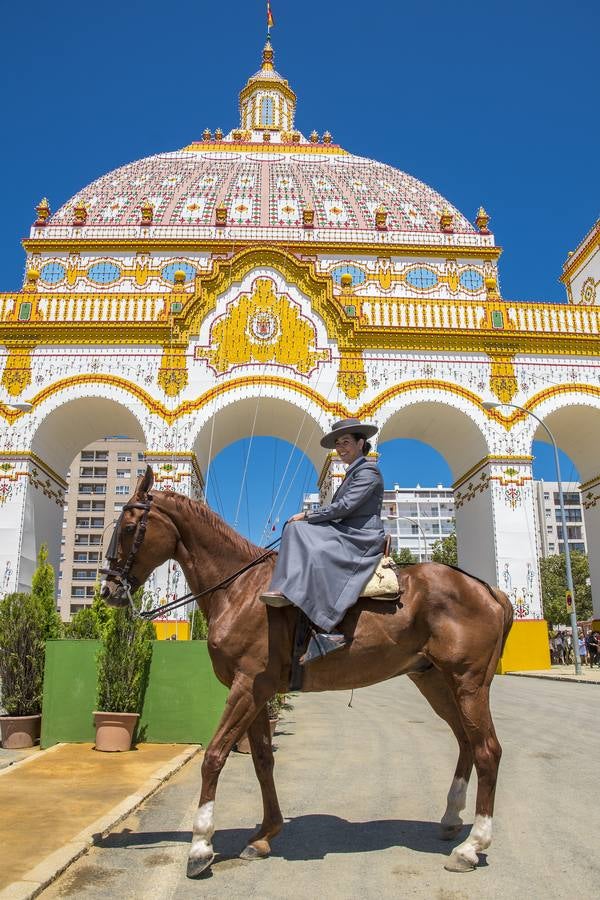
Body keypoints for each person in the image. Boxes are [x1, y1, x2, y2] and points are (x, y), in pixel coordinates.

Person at [260, 417, 385, 664]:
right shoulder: (353, 473)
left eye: (346, 442)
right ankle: (290, 589)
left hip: (361, 536)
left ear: (361, 443)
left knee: (298, 528)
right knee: (297, 529)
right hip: (346, 531)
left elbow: (345, 506)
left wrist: (308, 515)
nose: (340, 448)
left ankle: (327, 623)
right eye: (338, 444)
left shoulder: (368, 471)